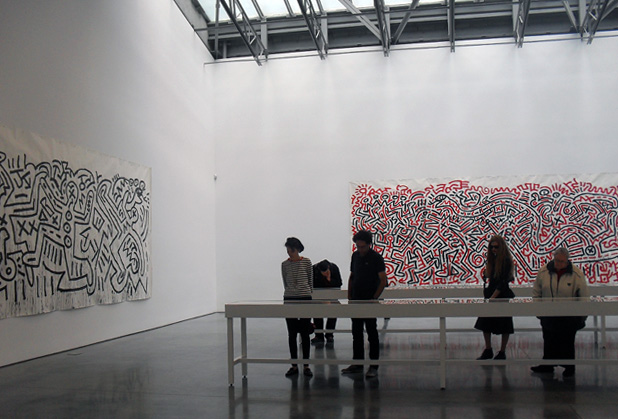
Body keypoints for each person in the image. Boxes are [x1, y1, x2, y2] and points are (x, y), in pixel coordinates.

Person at [530, 247, 590, 378]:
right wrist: (538, 309)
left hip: (568, 316)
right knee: (548, 340)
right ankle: (547, 365)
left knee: (567, 341)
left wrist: (582, 315)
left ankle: (569, 367)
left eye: (562, 261)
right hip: (548, 313)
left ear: (567, 261)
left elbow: (583, 295)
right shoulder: (544, 271)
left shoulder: (576, 274)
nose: (558, 264)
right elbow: (537, 291)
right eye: (557, 260)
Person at [341, 230, 387, 378]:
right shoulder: (355, 256)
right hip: (356, 300)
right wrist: (349, 296)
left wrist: (374, 298)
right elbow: (352, 276)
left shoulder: (376, 258)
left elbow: (383, 280)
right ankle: (358, 363)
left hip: (369, 301)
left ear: (369, 244)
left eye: (362, 247)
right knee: (356, 333)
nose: (360, 249)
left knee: (372, 333)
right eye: (358, 246)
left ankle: (373, 366)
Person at [474, 235, 515, 360]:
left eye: (496, 247)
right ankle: (490, 349)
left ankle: (499, 351)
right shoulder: (495, 260)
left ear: (501, 247)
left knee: (503, 324)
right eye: (491, 247)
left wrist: (492, 297)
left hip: (500, 295)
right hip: (494, 294)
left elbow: (503, 282)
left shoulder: (505, 261)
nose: (493, 249)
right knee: (486, 323)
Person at [281, 237, 314, 378]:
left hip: (305, 298)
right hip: (290, 299)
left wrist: (306, 293)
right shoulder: (284, 264)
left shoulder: (306, 262)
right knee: (292, 333)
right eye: (288, 250)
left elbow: (310, 281)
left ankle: (306, 365)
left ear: (298, 249)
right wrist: (291, 293)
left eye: (292, 250)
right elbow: (285, 282)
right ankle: (294, 365)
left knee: (305, 333)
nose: (289, 252)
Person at [311, 259, 343, 345]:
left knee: (332, 314)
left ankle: (329, 334)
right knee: (317, 315)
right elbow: (312, 285)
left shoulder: (334, 268)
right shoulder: (314, 269)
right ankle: (319, 335)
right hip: (318, 297)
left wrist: (329, 279)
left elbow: (339, 283)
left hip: (332, 297)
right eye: (323, 272)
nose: (325, 273)